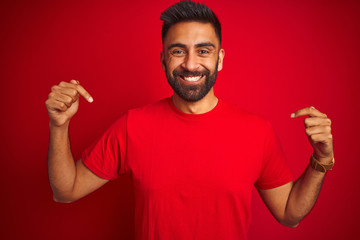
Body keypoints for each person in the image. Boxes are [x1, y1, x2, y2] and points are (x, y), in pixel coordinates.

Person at [45, 1, 334, 239]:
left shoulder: (257, 131)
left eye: (203, 51)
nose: (191, 64)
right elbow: (65, 191)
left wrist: (321, 160)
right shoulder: (132, 126)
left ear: (220, 59)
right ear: (163, 60)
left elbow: (289, 214)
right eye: (178, 51)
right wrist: (59, 125)